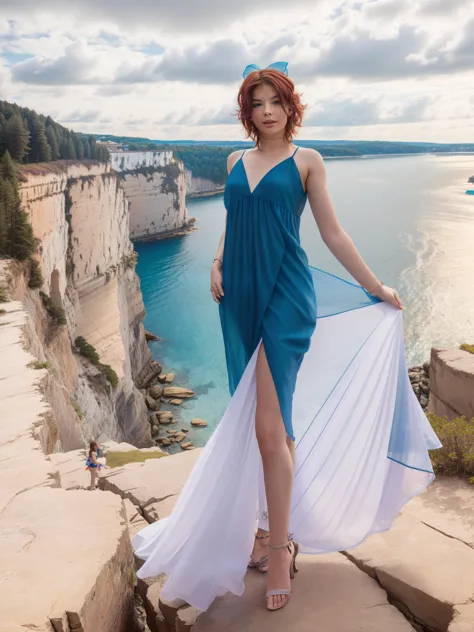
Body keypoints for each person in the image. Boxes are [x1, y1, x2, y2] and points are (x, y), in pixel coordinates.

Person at [132, 62, 440, 613]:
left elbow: (332, 231)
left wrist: (375, 286)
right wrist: (218, 262)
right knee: (266, 427)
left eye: (276, 101)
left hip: (286, 298)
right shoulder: (233, 161)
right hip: (238, 302)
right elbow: (234, 217)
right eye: (257, 102)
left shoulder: (308, 162)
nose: (267, 110)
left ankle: (277, 551)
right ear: (246, 111)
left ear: (290, 106)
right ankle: (271, 527)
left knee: (270, 432)